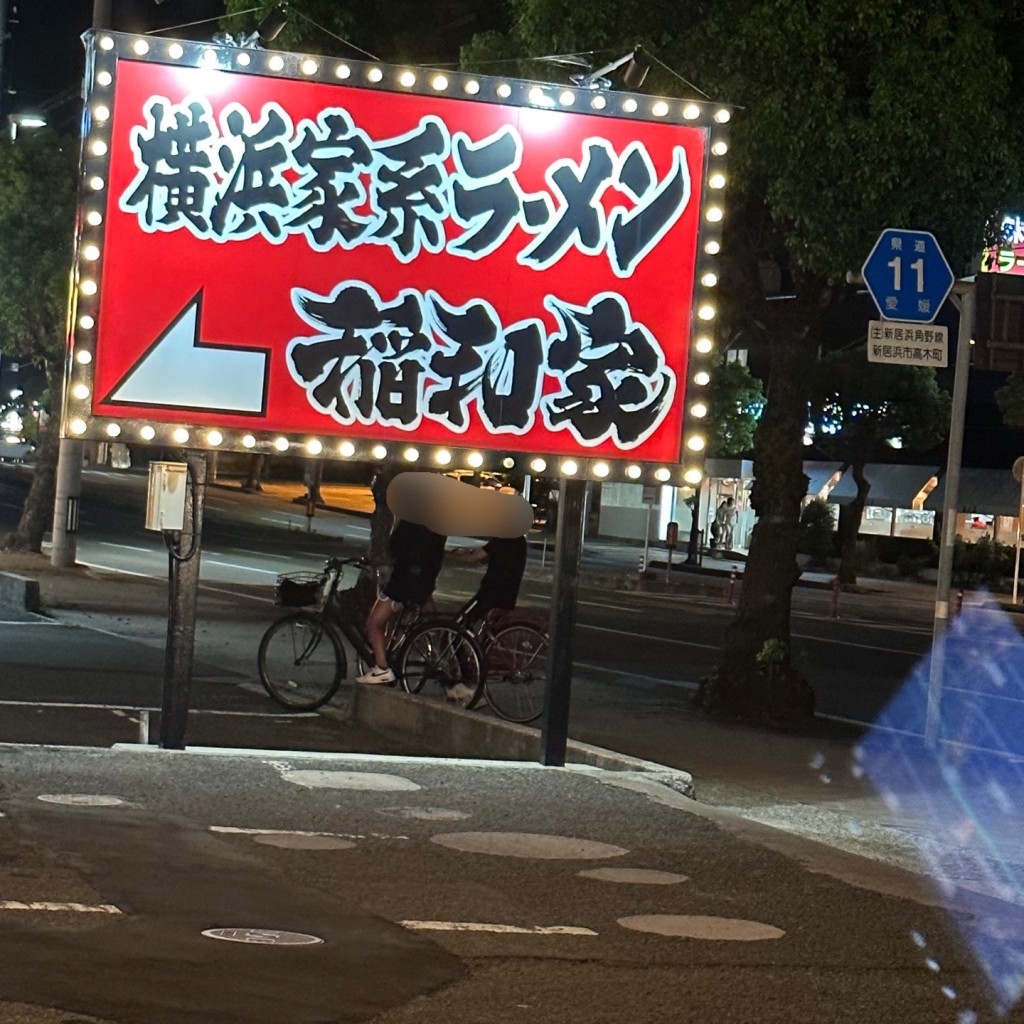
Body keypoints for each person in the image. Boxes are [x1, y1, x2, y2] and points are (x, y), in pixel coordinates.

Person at [355, 518, 446, 685]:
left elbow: (394, 546)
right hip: (424, 583)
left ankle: (381, 669)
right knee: (400, 622)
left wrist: (396, 522)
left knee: (374, 623)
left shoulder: (411, 521)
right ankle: (440, 660)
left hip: (403, 582)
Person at [450, 535, 528, 623]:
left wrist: (446, 554)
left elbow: (472, 558)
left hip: (491, 592)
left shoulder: (503, 538)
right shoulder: (520, 540)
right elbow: (500, 557)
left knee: (463, 619)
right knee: (490, 626)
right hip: (508, 593)